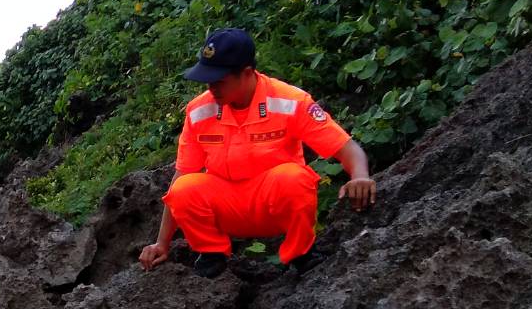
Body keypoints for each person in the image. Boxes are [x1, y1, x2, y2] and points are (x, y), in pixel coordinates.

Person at [138, 27, 377, 278]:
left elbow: (346, 147)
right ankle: (211, 253)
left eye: (219, 81)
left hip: (274, 204)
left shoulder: (289, 101)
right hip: (227, 206)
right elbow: (181, 175)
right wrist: (161, 243)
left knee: (296, 178)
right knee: (183, 189)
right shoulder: (199, 111)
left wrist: (359, 176)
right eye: (207, 80)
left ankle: (301, 253)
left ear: (247, 73)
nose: (211, 88)